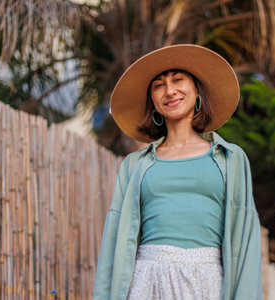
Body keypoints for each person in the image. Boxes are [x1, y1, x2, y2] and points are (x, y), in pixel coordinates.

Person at [93, 44, 262, 300]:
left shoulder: (232, 159)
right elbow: (114, 239)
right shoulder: (134, 165)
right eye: (159, 85)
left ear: (197, 91)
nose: (169, 91)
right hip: (146, 280)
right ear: (153, 100)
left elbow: (246, 238)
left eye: (178, 80)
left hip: (208, 282)